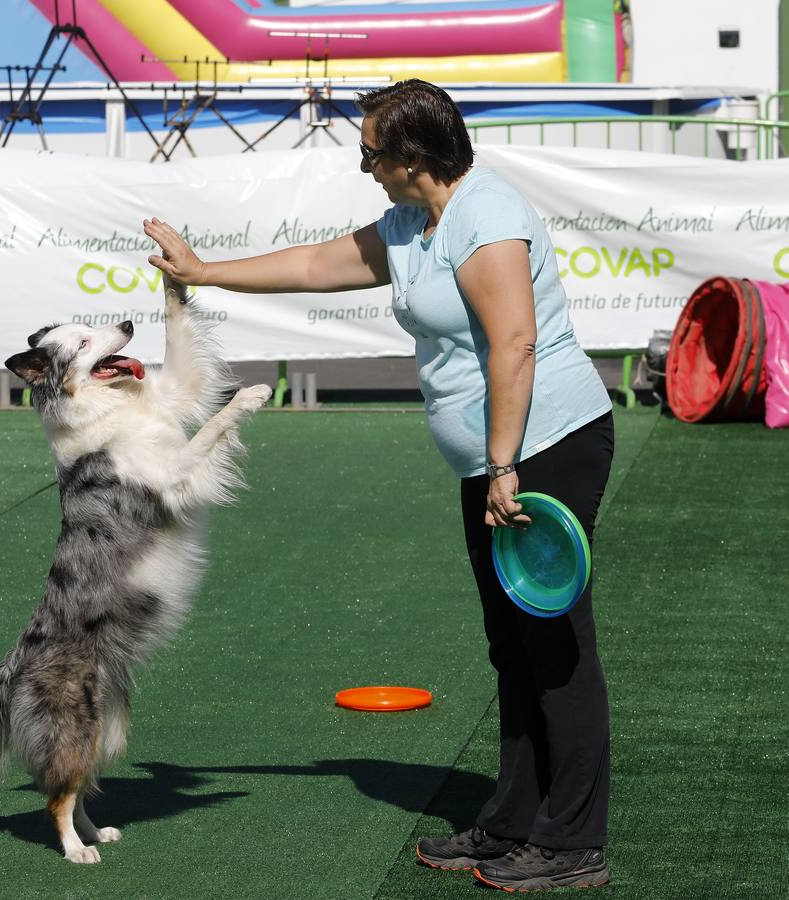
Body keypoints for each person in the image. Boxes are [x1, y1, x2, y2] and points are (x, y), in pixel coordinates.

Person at [143, 78, 614, 892]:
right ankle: (512, 820)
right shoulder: (411, 223)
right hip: (495, 459)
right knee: (512, 647)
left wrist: (503, 464)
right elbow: (321, 262)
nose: (363, 167)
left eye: (371, 154)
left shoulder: (486, 217)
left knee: (556, 648)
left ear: (413, 156)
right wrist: (208, 271)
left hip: (545, 450)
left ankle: (573, 841)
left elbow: (515, 347)